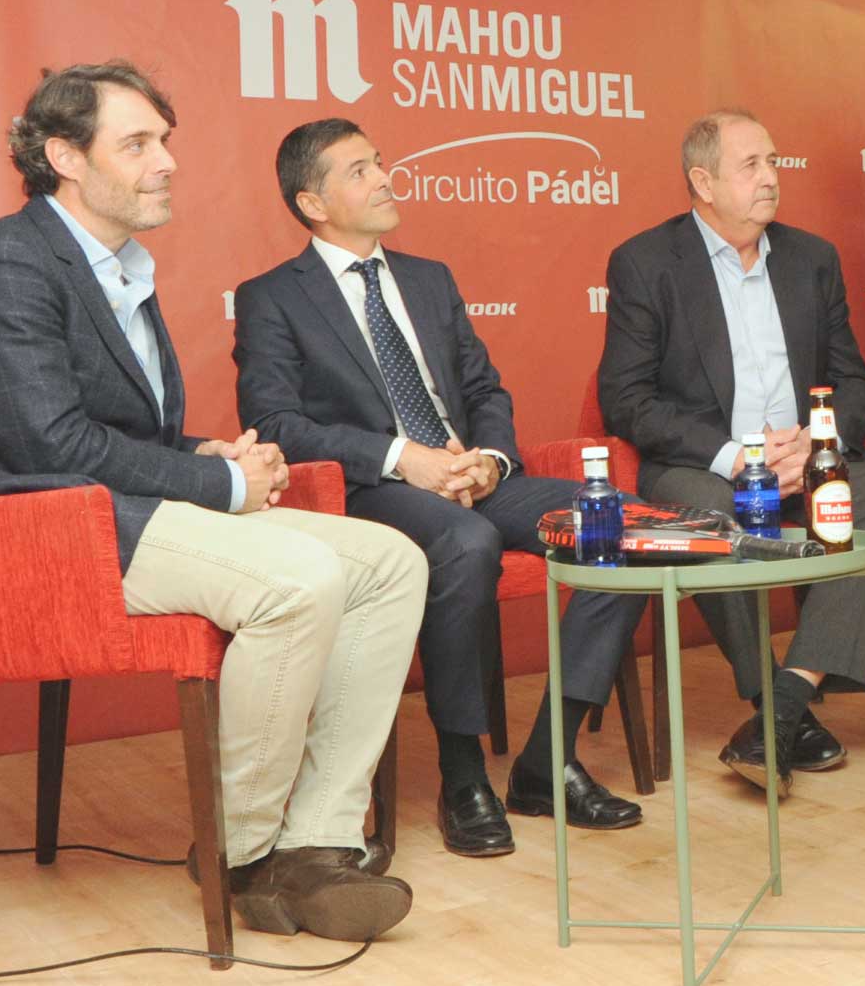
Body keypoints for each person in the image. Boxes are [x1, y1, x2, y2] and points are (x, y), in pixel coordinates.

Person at [0, 63, 427, 937]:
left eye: (165, 141)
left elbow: (112, 431)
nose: (167, 161)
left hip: (101, 507)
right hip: (29, 529)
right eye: (138, 144)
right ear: (66, 157)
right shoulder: (2, 262)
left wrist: (203, 453)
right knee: (297, 579)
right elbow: (47, 447)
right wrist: (221, 483)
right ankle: (240, 853)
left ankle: (316, 841)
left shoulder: (117, 267)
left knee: (390, 561)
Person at [233, 118, 645, 859]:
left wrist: (491, 460)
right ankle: (464, 775)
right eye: (360, 170)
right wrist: (404, 458)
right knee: (466, 541)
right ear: (312, 203)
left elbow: (484, 388)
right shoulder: (273, 298)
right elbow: (278, 423)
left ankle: (547, 761)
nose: (384, 177)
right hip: (371, 491)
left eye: (379, 161)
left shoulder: (429, 279)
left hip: (469, 476)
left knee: (622, 523)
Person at [596, 109, 865, 793]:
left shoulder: (811, 259)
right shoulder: (647, 263)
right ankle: (775, 705)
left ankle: (788, 699)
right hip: (707, 465)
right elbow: (626, 398)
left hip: (805, 455)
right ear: (703, 182)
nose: (771, 177)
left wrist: (818, 442)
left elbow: (855, 382)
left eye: (773, 161)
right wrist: (736, 457)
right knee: (712, 519)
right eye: (752, 166)